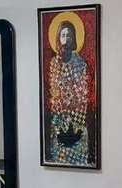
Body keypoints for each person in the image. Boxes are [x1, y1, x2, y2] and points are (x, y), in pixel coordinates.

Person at [48, 20, 90, 166]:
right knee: (59, 159)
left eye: (69, 35)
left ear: (74, 38)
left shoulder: (80, 63)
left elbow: (82, 92)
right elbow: (54, 91)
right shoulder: (54, 63)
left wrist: (71, 104)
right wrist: (59, 103)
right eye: (63, 35)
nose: (66, 39)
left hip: (76, 117)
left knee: (78, 158)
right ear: (58, 38)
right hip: (58, 118)